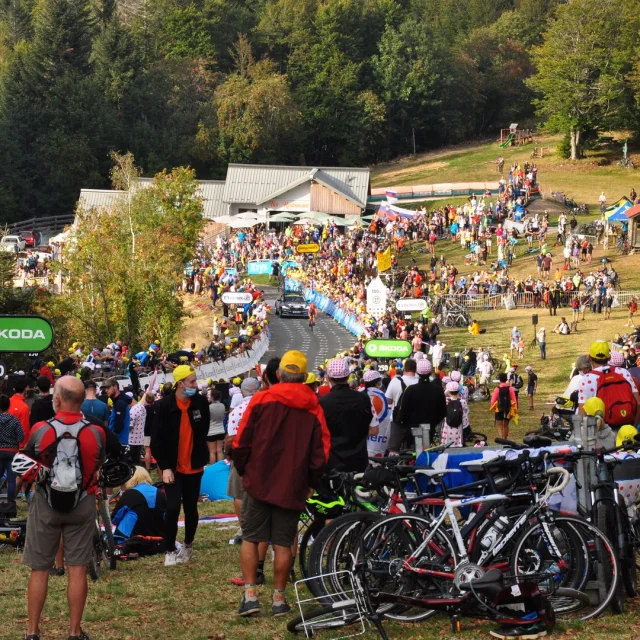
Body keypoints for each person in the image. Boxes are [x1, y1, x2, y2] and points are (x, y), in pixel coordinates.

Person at [231, 350, 330, 617]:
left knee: (251, 538)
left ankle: (250, 596)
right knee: (283, 544)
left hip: (259, 481)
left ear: (278, 374)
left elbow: (241, 441)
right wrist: (310, 482)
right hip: (293, 484)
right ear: (304, 377)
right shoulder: (314, 407)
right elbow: (321, 453)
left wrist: (245, 470)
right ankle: (279, 599)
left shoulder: (261, 400)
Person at [20, 377, 108, 640]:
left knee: (40, 569)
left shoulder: (40, 429)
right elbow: (99, 462)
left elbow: (25, 463)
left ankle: (33, 632)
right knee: (78, 568)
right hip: (82, 503)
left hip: (46, 503)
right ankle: (74, 632)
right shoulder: (96, 432)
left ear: (56, 399)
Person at [151, 364, 210, 567]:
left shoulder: (200, 403)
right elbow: (157, 441)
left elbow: (204, 430)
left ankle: (188, 545)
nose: (196, 384)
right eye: (192, 381)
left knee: (191, 508)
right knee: (173, 507)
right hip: (173, 468)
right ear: (180, 384)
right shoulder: (163, 407)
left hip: (194, 465)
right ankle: (169, 549)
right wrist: (165, 466)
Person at [226, 376, 267, 585]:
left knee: (239, 494)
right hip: (265, 460)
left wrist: (230, 454)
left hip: (242, 459)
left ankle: (244, 526)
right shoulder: (267, 406)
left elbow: (231, 440)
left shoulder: (237, 411)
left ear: (242, 391)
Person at [320, 358, 375, 472]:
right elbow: (373, 428)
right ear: (348, 375)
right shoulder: (363, 398)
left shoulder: (323, 402)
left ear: (328, 377)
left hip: (333, 463)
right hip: (359, 461)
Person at [577, 341, 640, 428]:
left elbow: (582, 411)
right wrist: (634, 426)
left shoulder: (586, 379)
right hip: (627, 427)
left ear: (590, 358)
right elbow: (638, 403)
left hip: (602, 432)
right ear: (609, 357)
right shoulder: (624, 373)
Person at [397, 359, 447, 445]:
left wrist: (406, 423)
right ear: (430, 372)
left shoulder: (410, 390)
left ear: (417, 372)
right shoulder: (438, 390)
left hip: (412, 428)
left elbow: (403, 411)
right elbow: (442, 412)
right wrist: (433, 422)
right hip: (430, 427)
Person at [386, 358, 419, 452]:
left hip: (398, 419)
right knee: (415, 449)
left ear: (404, 369)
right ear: (415, 369)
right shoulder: (419, 382)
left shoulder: (395, 381)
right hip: (415, 421)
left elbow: (388, 400)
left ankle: (392, 465)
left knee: (393, 449)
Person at [0, 394, 24, 507]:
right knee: (12, 480)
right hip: (12, 451)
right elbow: (21, 437)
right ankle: (10, 503)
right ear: (9, 406)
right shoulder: (15, 420)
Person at [362, 370, 391, 458]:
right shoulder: (381, 395)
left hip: (362, 436)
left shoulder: (359, 393)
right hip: (378, 437)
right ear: (378, 382)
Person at [104, 378, 131, 448]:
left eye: (108, 388)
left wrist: (113, 437)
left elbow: (119, 425)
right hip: (122, 440)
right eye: (105, 388)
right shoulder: (120, 399)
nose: (106, 390)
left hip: (120, 441)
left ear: (115, 387)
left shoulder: (121, 401)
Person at [440, 381, 469, 447]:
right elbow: (465, 414)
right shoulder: (462, 401)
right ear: (458, 390)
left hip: (447, 426)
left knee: (447, 443)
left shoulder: (445, 401)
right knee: (458, 442)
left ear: (449, 391)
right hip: (458, 426)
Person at [490, 373, 518, 440]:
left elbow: (492, 401)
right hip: (508, 408)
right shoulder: (510, 388)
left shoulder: (497, 389)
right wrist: (515, 408)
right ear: (506, 379)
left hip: (499, 408)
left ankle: (501, 438)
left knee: (500, 425)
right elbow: (514, 399)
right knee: (506, 425)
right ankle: (505, 439)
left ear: (499, 380)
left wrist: (493, 407)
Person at [9, 376, 31, 449]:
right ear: (25, 389)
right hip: (17, 447)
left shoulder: (7, 402)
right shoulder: (24, 407)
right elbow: (24, 430)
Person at [207, 389, 226, 464]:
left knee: (212, 452)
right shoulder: (223, 405)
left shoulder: (209, 407)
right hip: (221, 430)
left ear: (212, 396)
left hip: (211, 431)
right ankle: (220, 467)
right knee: (219, 451)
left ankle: (213, 469)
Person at [128, 392, 146, 467]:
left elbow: (130, 426)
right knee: (137, 461)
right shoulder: (142, 407)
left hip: (132, 440)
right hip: (140, 438)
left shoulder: (132, 411)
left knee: (131, 461)